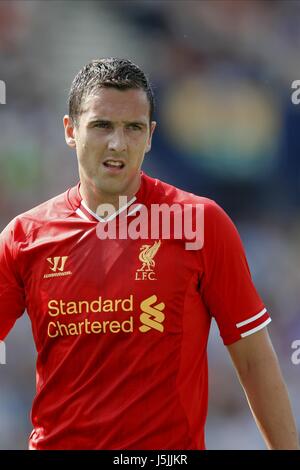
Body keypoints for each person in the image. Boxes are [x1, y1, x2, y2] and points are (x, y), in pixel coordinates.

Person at [0, 58, 298, 451]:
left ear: (151, 135)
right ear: (71, 130)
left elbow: (254, 361)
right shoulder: (25, 236)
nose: (118, 143)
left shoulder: (201, 224)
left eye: (133, 127)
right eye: (102, 125)